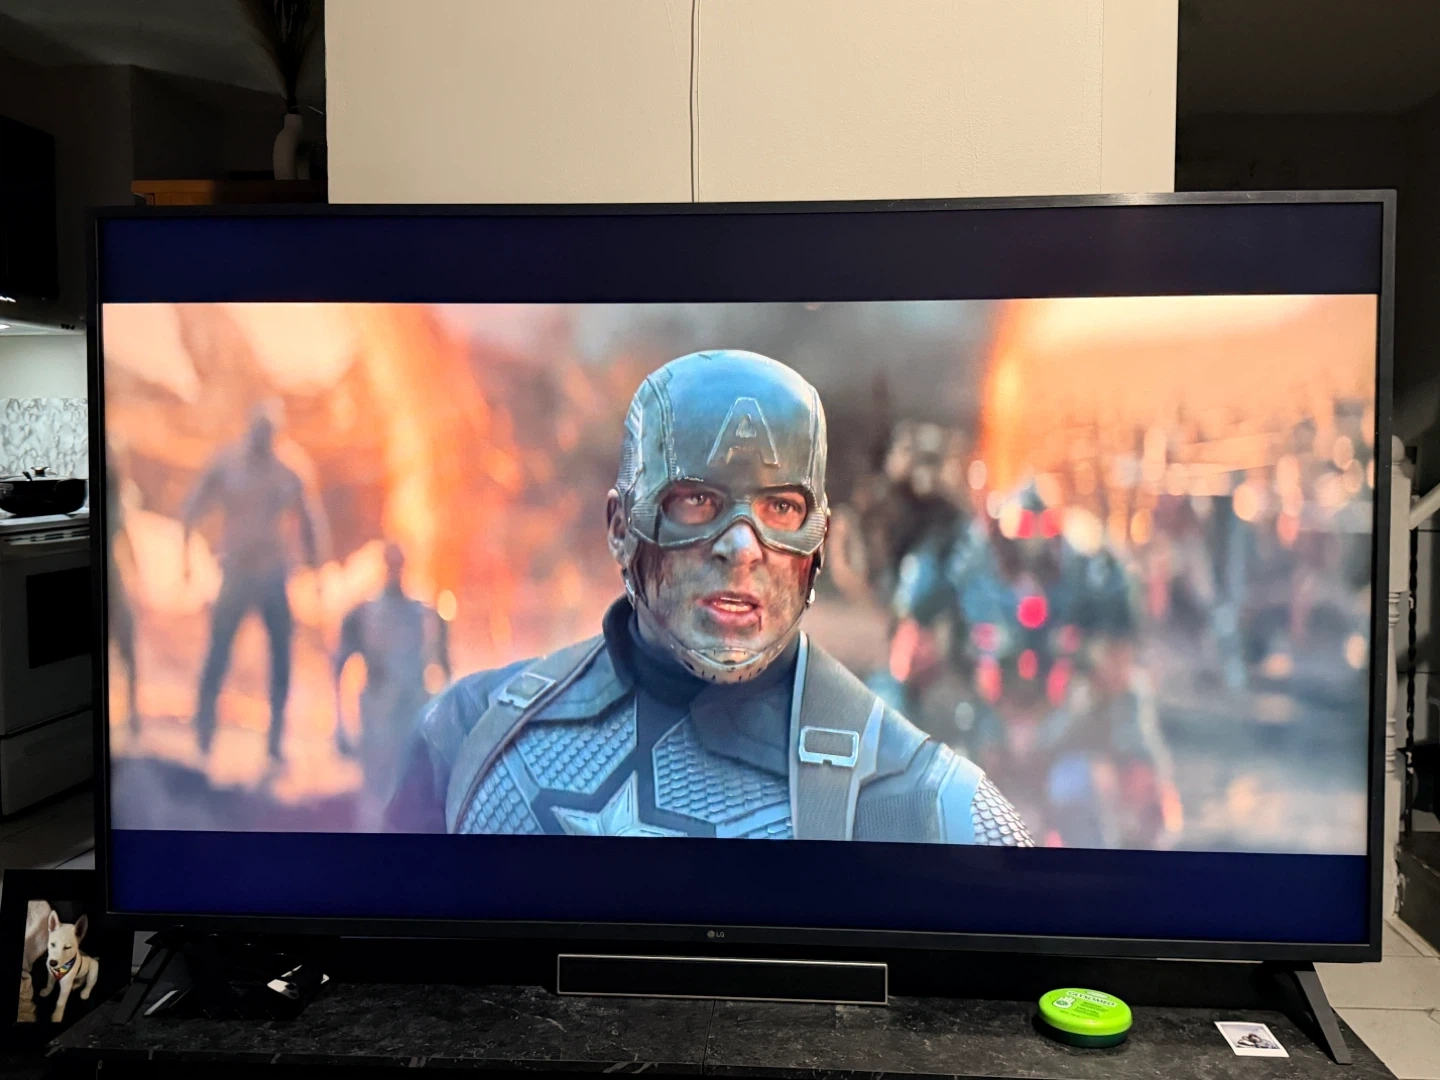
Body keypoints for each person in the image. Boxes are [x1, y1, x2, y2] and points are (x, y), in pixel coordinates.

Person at [386, 350, 1030, 844]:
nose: (743, 548)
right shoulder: (470, 739)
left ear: (817, 541)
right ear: (621, 526)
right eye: (697, 500)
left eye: (781, 507)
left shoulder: (933, 806)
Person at [182, 406, 325, 762]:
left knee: (280, 657)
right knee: (218, 651)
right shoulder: (229, 464)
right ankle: (204, 731)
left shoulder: (287, 471)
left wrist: (318, 572)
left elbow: (310, 521)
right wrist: (185, 556)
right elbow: (194, 505)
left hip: (272, 573)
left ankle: (275, 741)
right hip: (237, 572)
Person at [334, 543, 451, 829]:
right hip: (378, 725)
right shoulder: (363, 615)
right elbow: (339, 666)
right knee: (376, 805)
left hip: (414, 720)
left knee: (414, 802)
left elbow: (446, 671)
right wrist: (340, 726)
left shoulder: (426, 614)